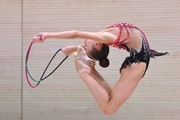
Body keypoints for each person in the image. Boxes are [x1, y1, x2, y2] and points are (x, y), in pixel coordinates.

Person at [32, 22, 168, 115]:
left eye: (85, 44)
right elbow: (83, 39)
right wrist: (72, 49)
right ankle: (88, 70)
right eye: (86, 44)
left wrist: (48, 35)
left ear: (97, 44)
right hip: (137, 60)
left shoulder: (105, 36)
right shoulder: (104, 36)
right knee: (108, 107)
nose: (85, 43)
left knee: (108, 108)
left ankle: (85, 72)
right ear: (97, 44)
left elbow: (76, 33)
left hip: (138, 61)